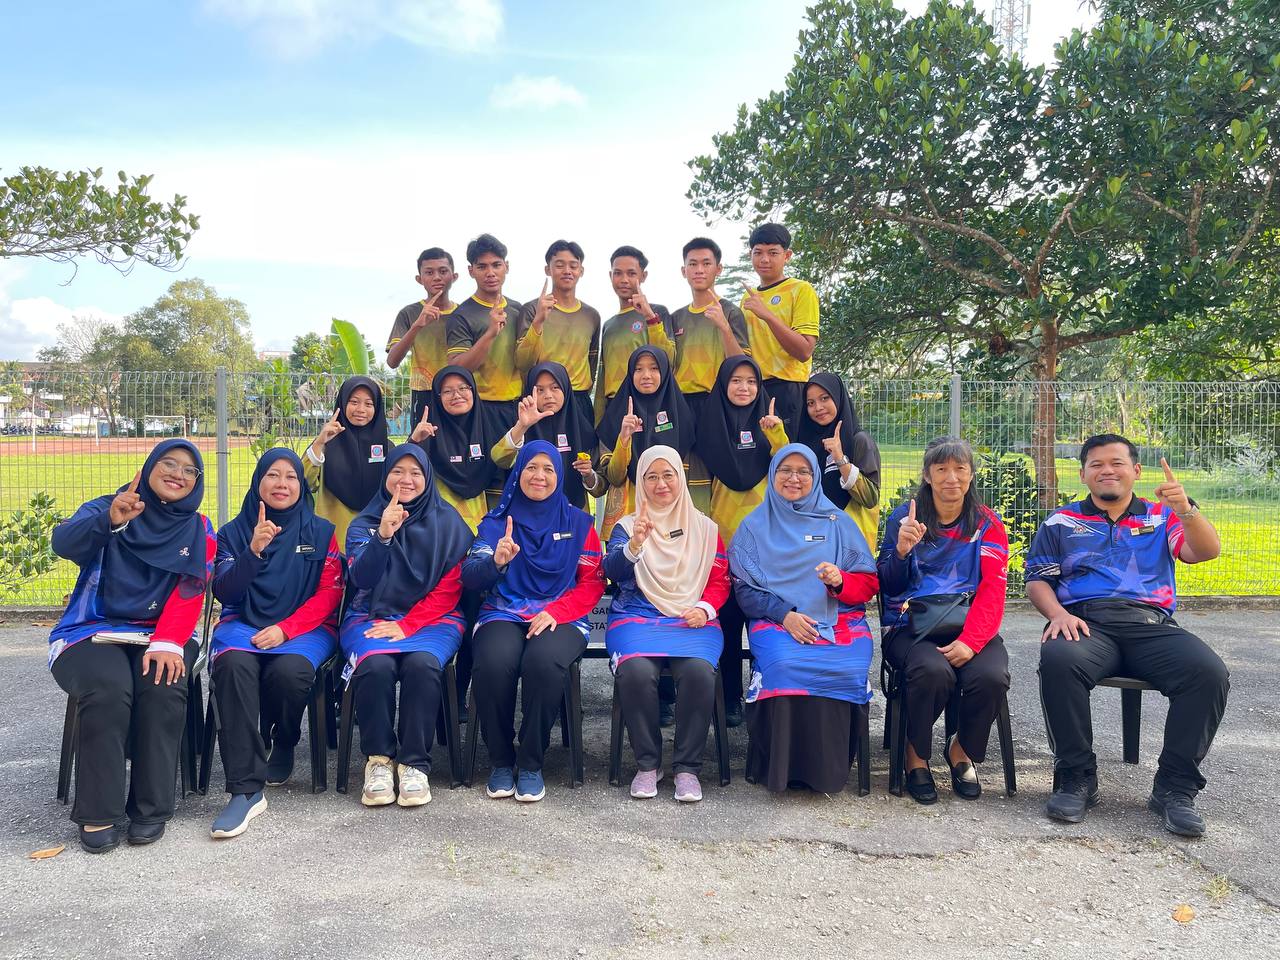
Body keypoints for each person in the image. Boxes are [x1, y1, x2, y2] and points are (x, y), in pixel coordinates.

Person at [1028, 434, 1227, 837]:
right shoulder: (1061, 521)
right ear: (1083, 474)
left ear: (1135, 471)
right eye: (1097, 464)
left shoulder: (1162, 515)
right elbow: (1037, 580)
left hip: (1149, 624)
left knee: (1208, 672)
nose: (1107, 470)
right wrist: (1058, 614)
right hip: (1086, 622)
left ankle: (1175, 788)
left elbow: (1205, 552)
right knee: (1059, 659)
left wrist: (1186, 510)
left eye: (1117, 463)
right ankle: (1076, 778)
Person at [46, 440, 215, 853]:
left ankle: (150, 808)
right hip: (89, 630)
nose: (177, 474)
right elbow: (63, 543)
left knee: (162, 684)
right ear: (150, 466)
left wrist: (168, 642)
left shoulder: (199, 527)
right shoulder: (109, 506)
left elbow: (191, 590)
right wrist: (109, 521)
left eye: (188, 470)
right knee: (108, 687)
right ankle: (98, 811)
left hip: (162, 634)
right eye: (168, 464)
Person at [209, 448, 343, 837]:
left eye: (291, 476)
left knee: (290, 671)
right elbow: (225, 592)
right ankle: (245, 790)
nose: (282, 484)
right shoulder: (232, 533)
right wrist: (252, 552)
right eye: (272, 475)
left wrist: (287, 628)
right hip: (243, 621)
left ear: (302, 485)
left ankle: (283, 738)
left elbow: (330, 594)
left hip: (306, 626)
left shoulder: (321, 533)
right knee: (233, 666)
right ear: (258, 482)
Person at [729, 444, 879, 793]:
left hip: (839, 618)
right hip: (776, 619)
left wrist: (840, 581)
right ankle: (782, 769)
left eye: (803, 471)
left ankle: (830, 770)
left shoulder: (838, 523)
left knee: (848, 666)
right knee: (783, 662)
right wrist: (786, 615)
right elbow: (744, 591)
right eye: (785, 470)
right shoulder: (752, 527)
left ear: (815, 477)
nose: (794, 478)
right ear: (772, 475)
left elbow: (868, 584)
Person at [463, 441, 605, 803]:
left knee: (543, 663)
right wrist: (495, 562)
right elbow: (471, 577)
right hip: (504, 610)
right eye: (531, 467)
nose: (539, 476)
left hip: (562, 614)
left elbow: (592, 583)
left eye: (548, 469)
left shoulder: (578, 523)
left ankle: (530, 762)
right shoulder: (497, 523)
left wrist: (557, 611)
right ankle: (500, 759)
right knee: (494, 663)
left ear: (559, 477)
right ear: (517, 473)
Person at [876, 437, 1011, 805]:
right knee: (933, 672)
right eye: (941, 469)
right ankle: (916, 754)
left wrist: (972, 641)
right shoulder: (904, 518)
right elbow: (887, 586)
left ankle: (960, 749)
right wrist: (901, 552)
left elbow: (993, 590)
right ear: (927, 475)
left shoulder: (987, 523)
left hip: (969, 625)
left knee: (991, 676)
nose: (952, 477)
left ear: (971, 474)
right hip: (910, 627)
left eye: (960, 469)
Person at [342, 445, 473, 808]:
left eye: (415, 472)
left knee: (422, 665)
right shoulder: (364, 524)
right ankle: (379, 760)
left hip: (435, 618)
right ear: (385, 476)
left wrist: (409, 624)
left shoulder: (449, 523)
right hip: (370, 616)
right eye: (397, 471)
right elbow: (361, 578)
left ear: (428, 478)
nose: (406, 479)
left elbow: (451, 587)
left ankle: (414, 763)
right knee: (375, 665)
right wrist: (383, 536)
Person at [604, 446, 730, 802]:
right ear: (641, 482)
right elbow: (610, 572)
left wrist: (706, 608)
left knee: (699, 673)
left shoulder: (705, 529)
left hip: (692, 620)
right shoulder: (627, 526)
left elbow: (720, 580)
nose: (661, 484)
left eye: (668, 475)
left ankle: (687, 768)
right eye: (651, 477)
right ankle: (648, 765)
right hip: (636, 617)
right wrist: (635, 545)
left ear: (681, 478)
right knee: (636, 672)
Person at [693, 355, 788, 726]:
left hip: (766, 544)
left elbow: (789, 469)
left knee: (766, 624)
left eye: (751, 381)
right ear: (723, 385)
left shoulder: (771, 426)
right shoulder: (708, 426)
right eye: (736, 380)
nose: (744, 388)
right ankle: (730, 698)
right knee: (727, 625)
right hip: (722, 542)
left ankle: (765, 694)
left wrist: (776, 434)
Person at [596, 346, 693, 539]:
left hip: (671, 515)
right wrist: (624, 438)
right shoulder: (616, 416)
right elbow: (614, 477)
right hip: (629, 514)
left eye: (654, 368)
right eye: (638, 369)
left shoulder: (682, 417)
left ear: (664, 372)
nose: (646, 375)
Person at [739, 223, 819, 436]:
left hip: (788, 388)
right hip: (753, 389)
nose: (765, 259)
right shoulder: (747, 298)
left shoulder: (801, 290)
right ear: (750, 255)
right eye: (758, 253)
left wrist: (766, 314)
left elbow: (804, 351)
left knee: (787, 453)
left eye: (773, 253)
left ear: (787, 255)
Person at [491, 361, 604, 511]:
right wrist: (522, 426)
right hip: (527, 513)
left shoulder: (582, 429)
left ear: (565, 388)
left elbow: (600, 488)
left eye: (555, 388)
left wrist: (588, 474)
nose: (548, 395)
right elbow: (499, 459)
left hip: (571, 513)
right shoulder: (520, 424)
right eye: (540, 390)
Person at [445, 233, 525, 438]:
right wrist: (490, 333)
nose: (490, 273)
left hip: (519, 407)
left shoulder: (519, 310)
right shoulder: (461, 315)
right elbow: (457, 369)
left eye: (496, 265)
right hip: (481, 409)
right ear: (471, 271)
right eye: (482, 267)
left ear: (506, 266)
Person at [515, 240, 601, 427]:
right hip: (542, 400)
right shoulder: (532, 309)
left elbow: (592, 362)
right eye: (560, 265)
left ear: (581, 271)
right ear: (548, 269)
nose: (567, 271)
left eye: (573, 266)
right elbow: (522, 362)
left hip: (579, 400)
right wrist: (538, 321)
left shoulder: (591, 315)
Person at [797, 373, 881, 557]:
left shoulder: (860, 441)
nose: (818, 407)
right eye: (810, 403)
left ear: (838, 397)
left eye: (824, 398)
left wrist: (840, 459)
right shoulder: (806, 442)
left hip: (851, 543)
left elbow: (870, 498)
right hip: (815, 540)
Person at [304, 375, 390, 551]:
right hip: (332, 544)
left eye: (368, 404)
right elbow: (305, 482)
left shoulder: (387, 447)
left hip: (374, 542)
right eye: (354, 402)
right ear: (342, 403)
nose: (361, 409)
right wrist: (319, 443)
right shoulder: (325, 444)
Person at [411, 364, 500, 529]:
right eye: (447, 391)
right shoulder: (428, 433)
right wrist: (414, 441)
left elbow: (503, 458)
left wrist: (521, 427)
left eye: (463, 388)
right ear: (437, 397)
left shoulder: (489, 429)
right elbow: (406, 470)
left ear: (473, 390)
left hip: (481, 524)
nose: (456, 395)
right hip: (439, 527)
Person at [594, 245, 675, 424]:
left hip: (648, 403)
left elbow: (669, 359)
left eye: (631, 273)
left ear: (643, 276)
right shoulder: (609, 325)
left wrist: (650, 317)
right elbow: (603, 375)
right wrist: (599, 419)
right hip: (614, 405)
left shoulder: (657, 312)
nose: (624, 280)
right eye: (618, 273)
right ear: (610, 276)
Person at [386, 246, 459, 426]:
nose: (437, 277)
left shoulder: (464, 314)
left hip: (459, 392)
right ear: (419, 279)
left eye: (443, 271)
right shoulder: (409, 313)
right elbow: (392, 361)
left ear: (454, 276)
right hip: (423, 393)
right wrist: (417, 326)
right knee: (422, 440)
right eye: (429, 272)